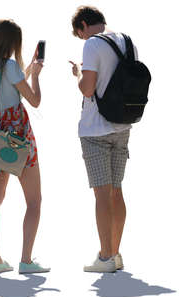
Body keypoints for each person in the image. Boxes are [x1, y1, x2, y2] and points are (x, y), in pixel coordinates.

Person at [0, 19, 50, 274]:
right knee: (34, 201)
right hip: (18, 135)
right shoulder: (10, 65)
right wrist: (36, 76)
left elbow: (6, 88)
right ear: (12, 42)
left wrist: (26, 71)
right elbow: (34, 100)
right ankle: (26, 261)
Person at [70, 6, 138, 272]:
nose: (82, 40)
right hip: (123, 125)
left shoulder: (92, 45)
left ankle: (105, 257)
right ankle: (116, 253)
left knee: (101, 193)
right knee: (117, 190)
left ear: (83, 26)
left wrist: (77, 74)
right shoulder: (127, 41)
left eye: (80, 34)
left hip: (96, 129)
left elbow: (88, 89)